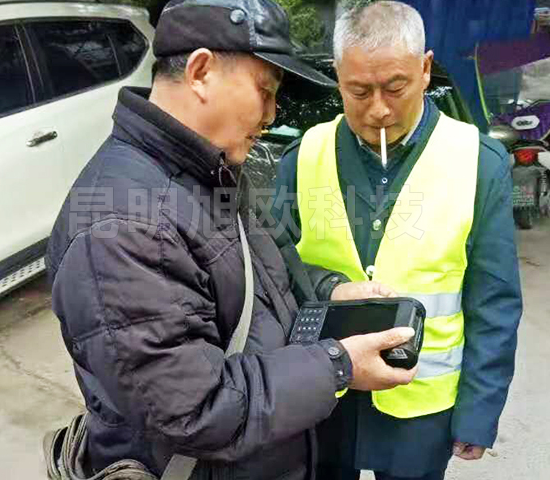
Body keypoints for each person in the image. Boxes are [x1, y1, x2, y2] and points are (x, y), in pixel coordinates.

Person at [44, 1, 418, 479]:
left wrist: (331, 291)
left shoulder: (209, 172)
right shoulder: (123, 228)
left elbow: (264, 274)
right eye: (265, 91)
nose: (272, 114)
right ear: (201, 72)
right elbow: (195, 410)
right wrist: (337, 365)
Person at [272, 2, 523, 480]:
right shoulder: (303, 157)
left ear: (425, 69)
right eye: (359, 91)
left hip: (420, 410)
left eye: (395, 87)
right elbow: (274, 269)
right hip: (322, 396)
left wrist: (479, 410)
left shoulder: (478, 162)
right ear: (339, 77)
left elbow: (494, 300)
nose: (379, 109)